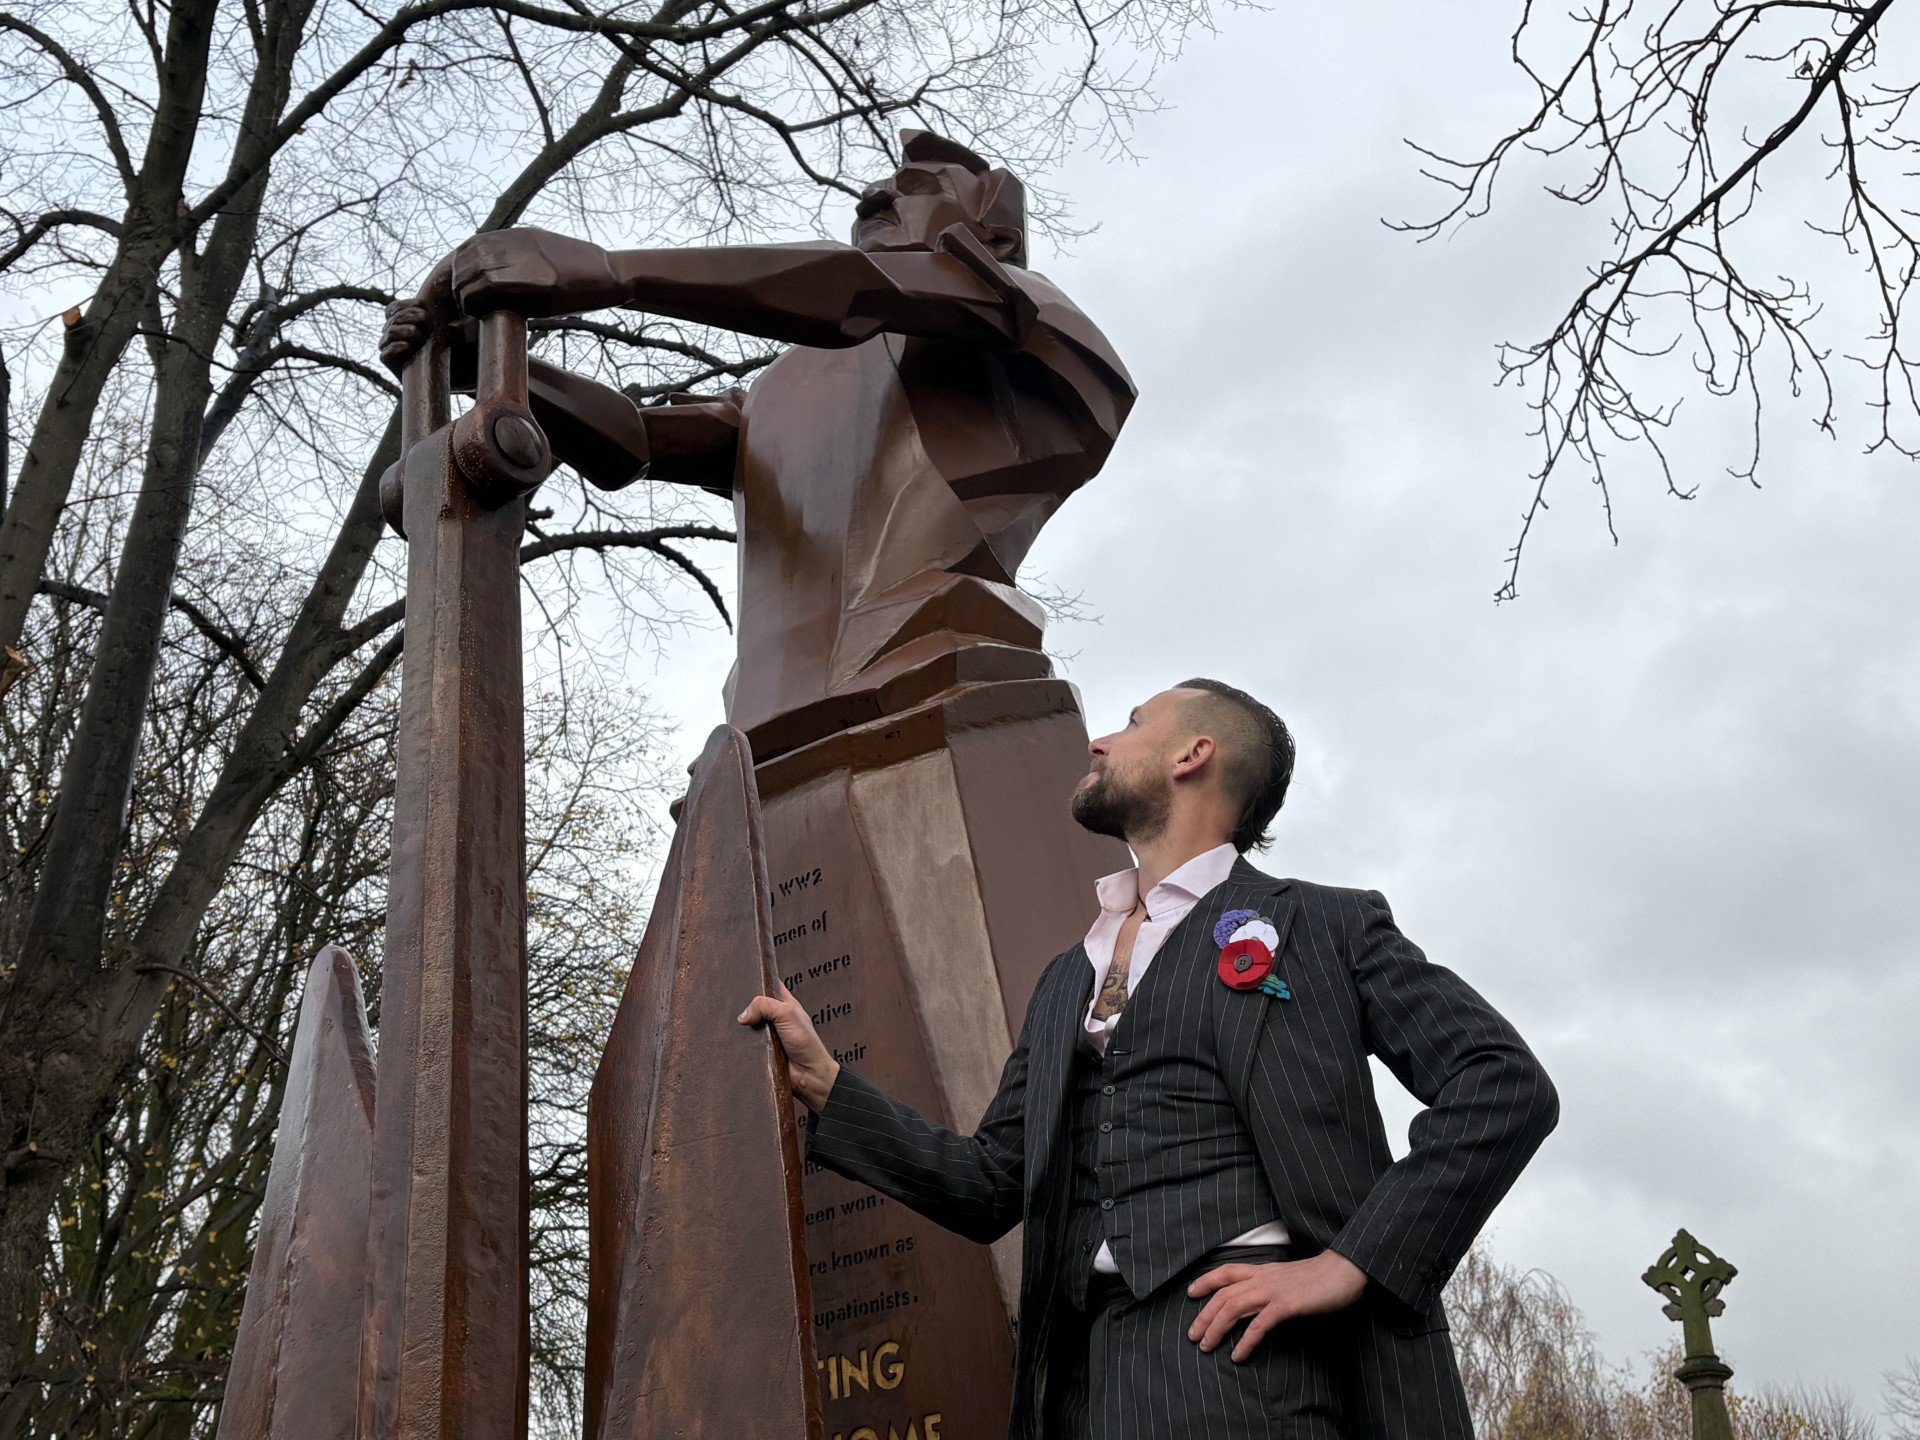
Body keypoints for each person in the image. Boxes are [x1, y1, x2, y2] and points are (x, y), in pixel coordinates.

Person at [741, 680, 1559, 1439]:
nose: (1099, 742)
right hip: (1076, 1383)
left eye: (1131, 724)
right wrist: (828, 1085)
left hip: (1244, 1369)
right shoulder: (1069, 977)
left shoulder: (1325, 926)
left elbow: (1501, 1084)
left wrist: (1351, 1265)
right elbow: (992, 1182)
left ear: (1192, 754)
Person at [381, 130, 1133, 755]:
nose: (873, 197)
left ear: (995, 229)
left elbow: (856, 290)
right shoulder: (783, 390)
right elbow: (633, 440)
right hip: (762, 734)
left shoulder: (1031, 319)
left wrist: (613, 272)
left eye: (915, 185)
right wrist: (479, 357)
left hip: (929, 684)